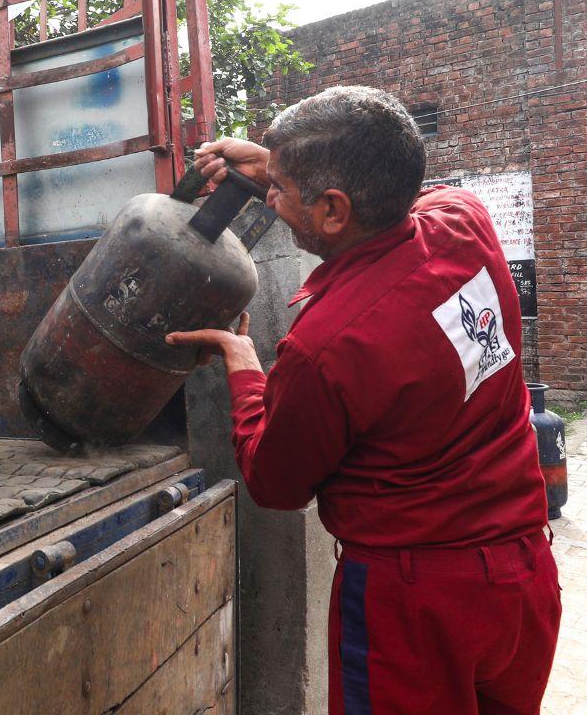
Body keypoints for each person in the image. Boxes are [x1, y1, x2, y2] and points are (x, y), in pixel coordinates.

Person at [166, 86, 560, 714]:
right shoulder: (467, 222)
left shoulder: (329, 344)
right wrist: (275, 162)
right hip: (523, 580)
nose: (270, 198)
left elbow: (275, 479)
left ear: (333, 210)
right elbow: (409, 189)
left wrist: (244, 367)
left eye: (281, 189)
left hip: (412, 610)